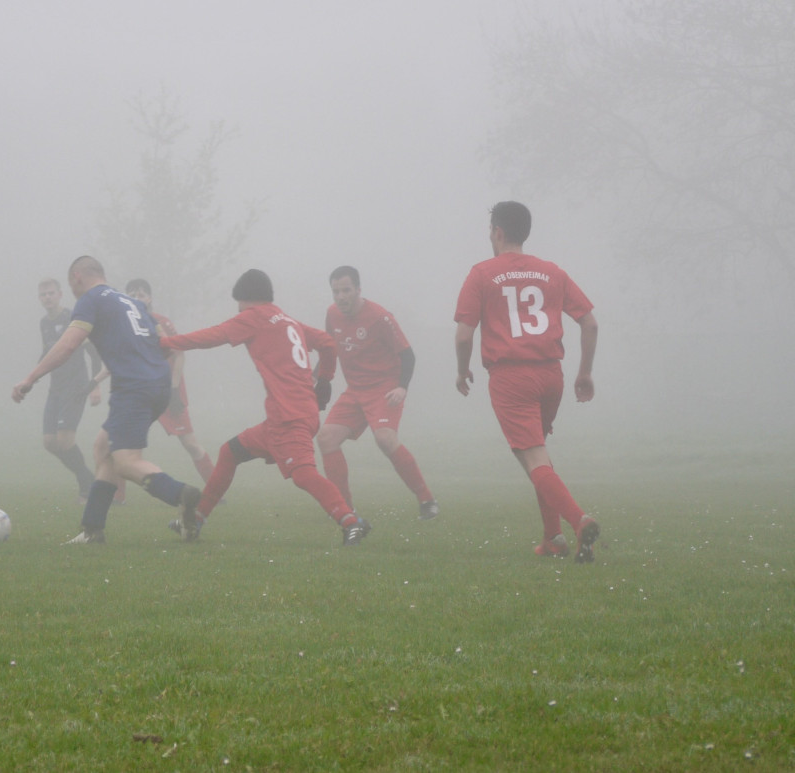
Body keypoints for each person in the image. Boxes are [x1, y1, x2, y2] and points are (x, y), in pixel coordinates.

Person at [159, 269, 372, 546]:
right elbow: (327, 343)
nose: (237, 309)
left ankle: (351, 522)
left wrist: (163, 344)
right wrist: (325, 380)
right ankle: (196, 521)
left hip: (289, 416)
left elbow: (212, 336)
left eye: (239, 303)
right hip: (287, 415)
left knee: (304, 474)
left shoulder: (254, 318)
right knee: (230, 452)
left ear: (247, 299)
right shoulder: (285, 319)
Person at [12, 256, 201, 544]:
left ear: (77, 277)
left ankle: (181, 494)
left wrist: (30, 378)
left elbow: (68, 345)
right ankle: (92, 530)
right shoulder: (133, 303)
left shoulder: (90, 299)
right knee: (103, 447)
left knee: (125, 462)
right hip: (157, 384)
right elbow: (165, 344)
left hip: (133, 388)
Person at [454, 201, 601, 562]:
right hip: (551, 374)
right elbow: (590, 323)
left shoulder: (482, 273)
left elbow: (462, 336)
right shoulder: (552, 272)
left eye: (491, 232)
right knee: (539, 457)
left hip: (511, 376)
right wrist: (584, 372)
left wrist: (462, 370)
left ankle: (578, 521)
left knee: (533, 458)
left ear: (498, 232)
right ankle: (553, 539)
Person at [316, 266, 438, 520]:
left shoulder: (380, 317)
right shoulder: (332, 315)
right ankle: (346, 512)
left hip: (384, 389)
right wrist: (315, 378)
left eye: (346, 290)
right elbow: (329, 350)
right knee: (326, 438)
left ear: (358, 290)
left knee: (385, 439)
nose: (341, 297)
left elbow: (408, 355)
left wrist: (402, 387)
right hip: (355, 391)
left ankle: (426, 499)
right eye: (336, 291)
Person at [124, 278, 216, 484]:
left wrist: (174, 390)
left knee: (190, 443)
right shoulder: (125, 324)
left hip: (167, 391)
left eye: (141, 294)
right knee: (120, 445)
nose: (137, 298)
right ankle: (117, 497)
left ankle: (215, 489)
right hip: (142, 392)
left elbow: (179, 353)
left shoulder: (161, 322)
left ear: (149, 298)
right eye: (131, 295)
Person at [36, 278, 102, 501]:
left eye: (51, 293)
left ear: (60, 294)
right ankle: (87, 478)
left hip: (76, 387)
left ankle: (86, 484)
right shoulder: (44, 323)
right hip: (55, 389)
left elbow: (94, 354)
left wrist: (94, 386)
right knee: (49, 443)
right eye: (43, 295)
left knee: (65, 441)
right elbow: (47, 353)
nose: (47, 298)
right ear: (39, 299)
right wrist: (31, 378)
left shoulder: (74, 319)